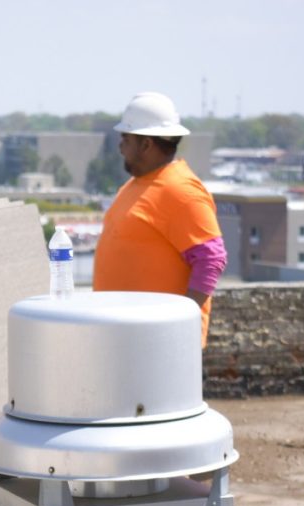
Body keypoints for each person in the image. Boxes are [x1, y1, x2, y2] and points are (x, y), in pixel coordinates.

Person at [93, 92, 227, 346]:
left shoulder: (180, 190)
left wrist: (179, 319)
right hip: (128, 339)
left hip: (160, 345)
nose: (120, 146)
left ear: (146, 144)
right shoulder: (135, 185)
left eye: (126, 138)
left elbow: (211, 259)